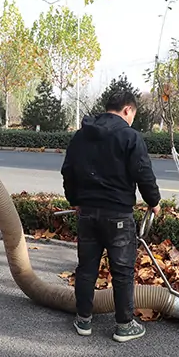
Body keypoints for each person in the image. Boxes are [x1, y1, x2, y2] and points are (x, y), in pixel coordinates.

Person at [60, 88, 161, 342]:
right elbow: (143, 172)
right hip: (118, 215)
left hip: (87, 214)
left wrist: (76, 201)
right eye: (133, 115)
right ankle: (124, 325)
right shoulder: (129, 136)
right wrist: (154, 201)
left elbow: (68, 172)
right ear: (128, 109)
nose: (132, 120)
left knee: (86, 268)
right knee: (123, 271)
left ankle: (83, 321)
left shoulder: (81, 136)